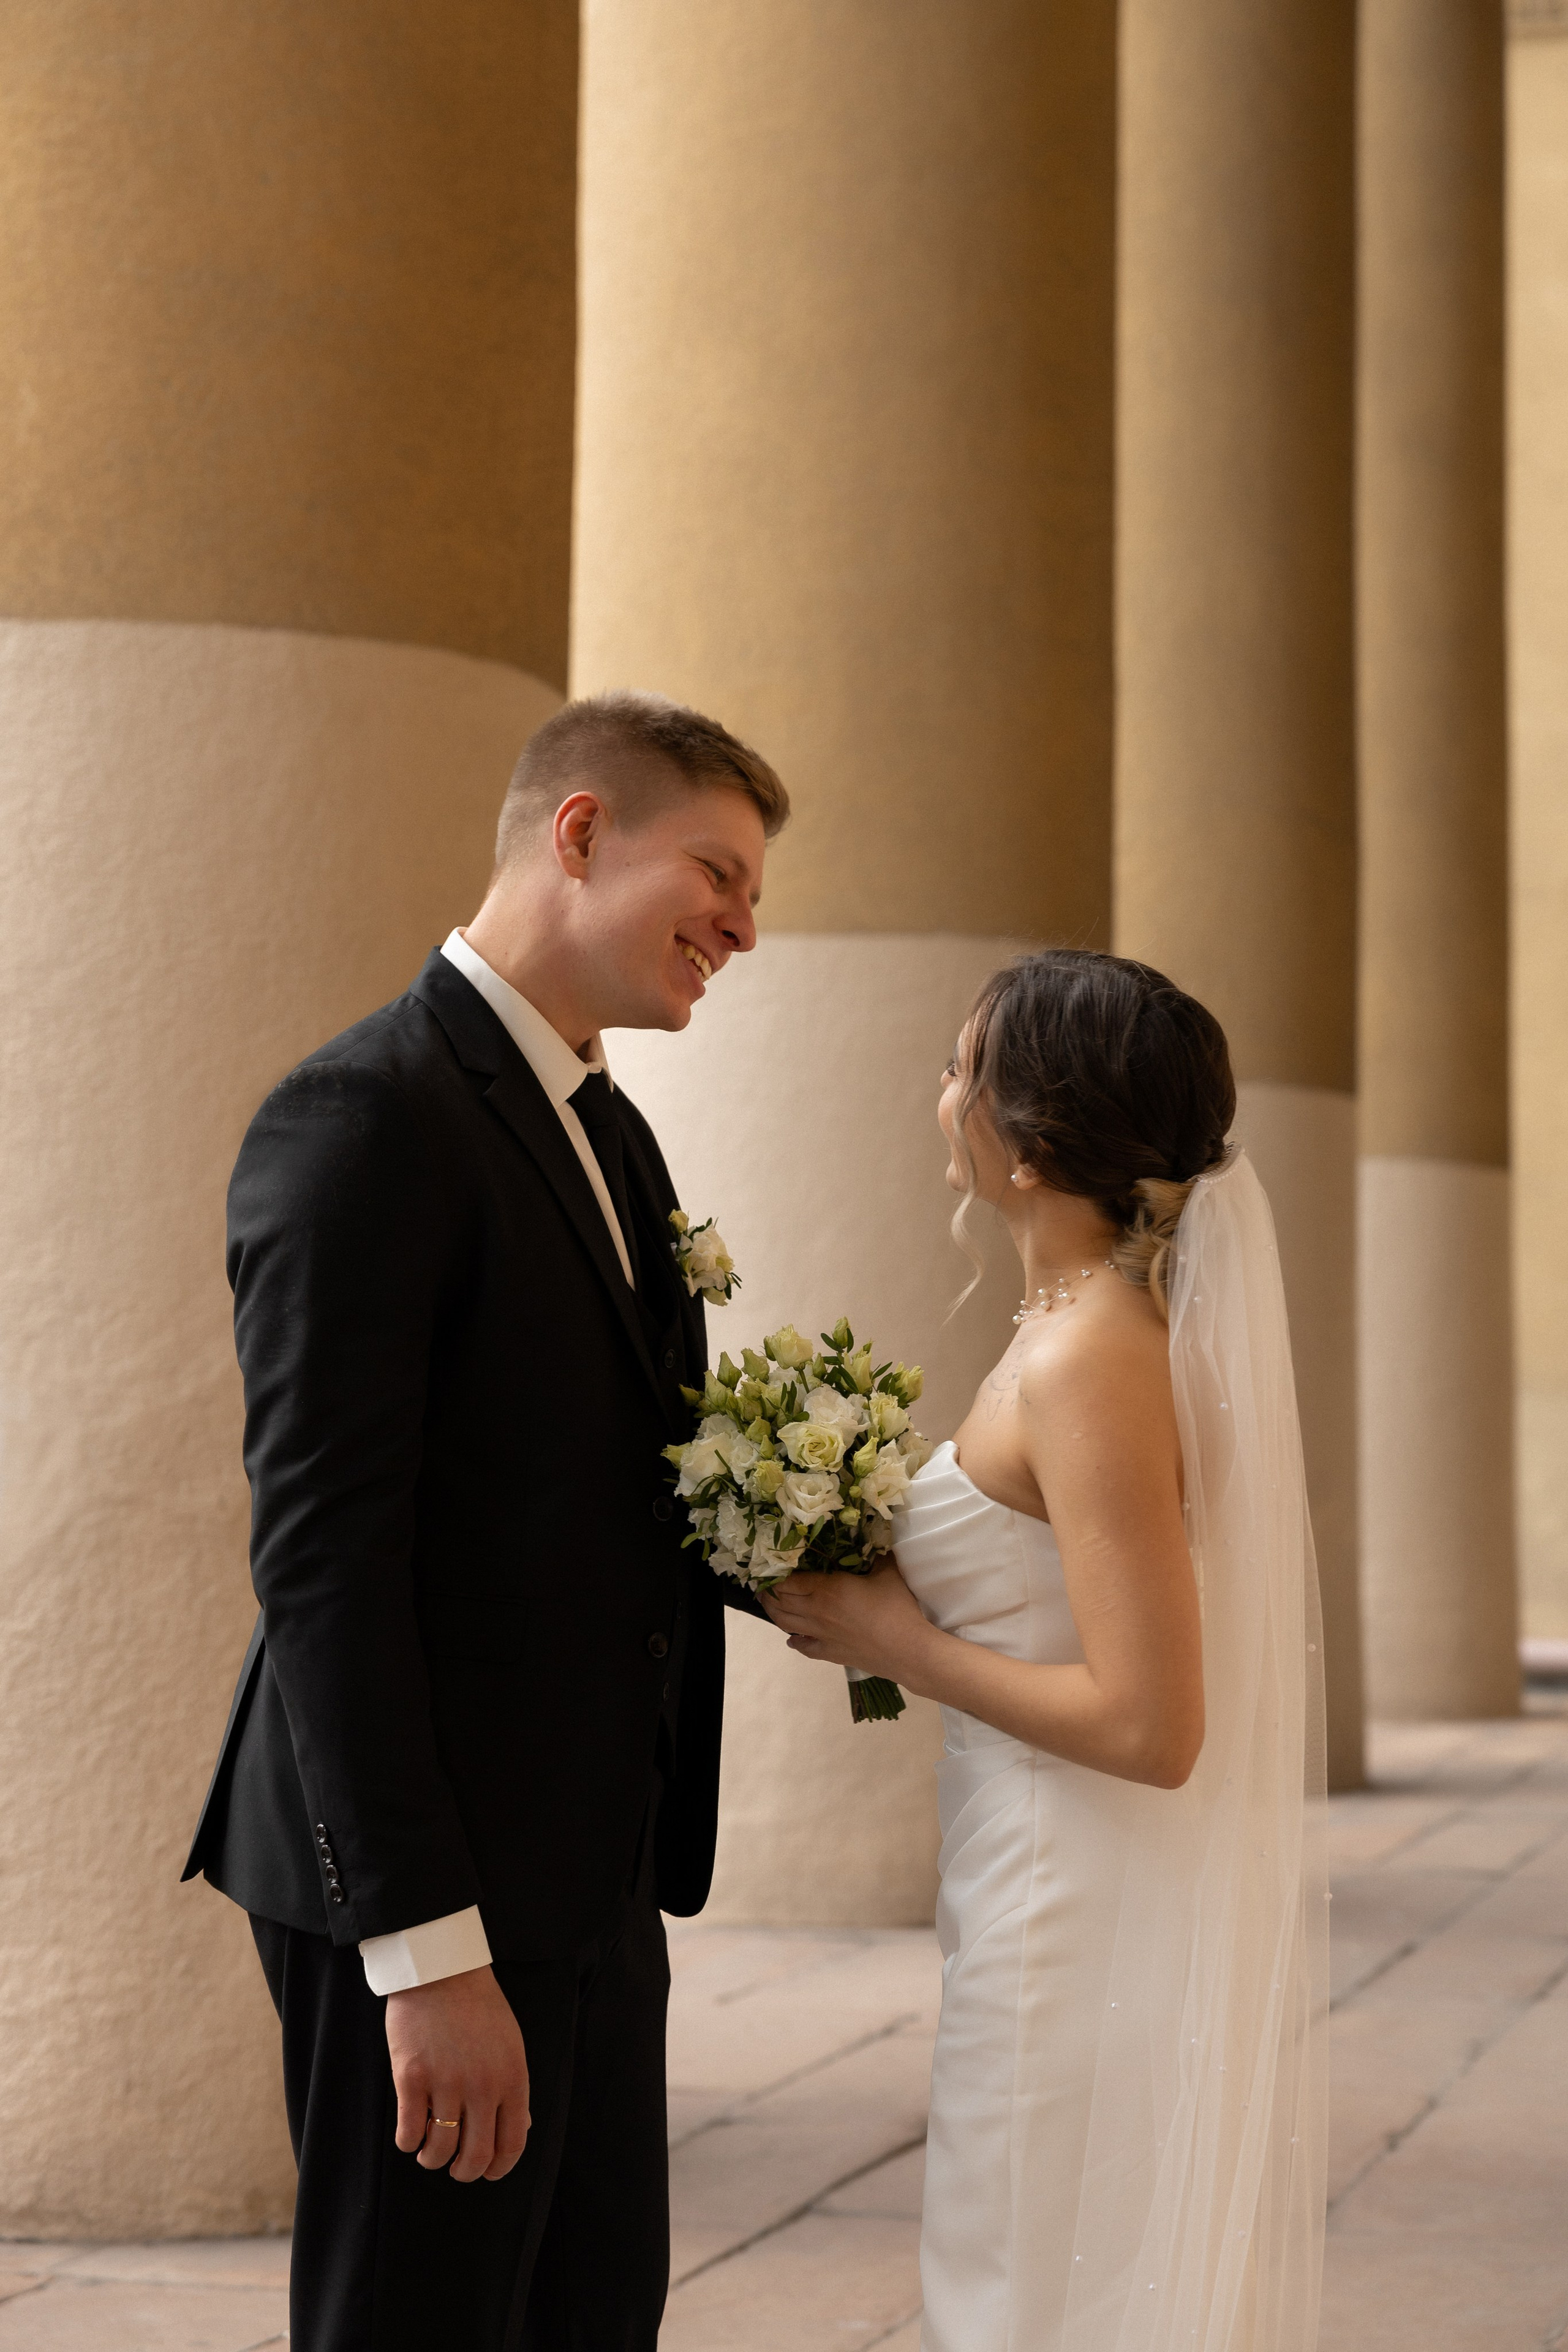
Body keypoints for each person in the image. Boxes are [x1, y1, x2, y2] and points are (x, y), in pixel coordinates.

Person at [183, 692, 788, 2352]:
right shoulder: (365, 1116)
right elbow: (327, 1558)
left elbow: (616, 1488)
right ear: (580, 832)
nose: (744, 926)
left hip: (592, 1872)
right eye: (718, 874)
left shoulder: (617, 1135)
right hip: (430, 1883)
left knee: (592, 2321)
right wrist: (426, 1957)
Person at [765, 948, 1329, 2352]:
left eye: (963, 1069)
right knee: (1022, 2245)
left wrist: (888, 1634)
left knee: (1027, 2261)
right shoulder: (1067, 1332)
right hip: (1027, 1859)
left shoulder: (1090, 1358)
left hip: (1072, 1888)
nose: (939, 1091)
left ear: (1025, 1144)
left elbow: (1151, 1726)